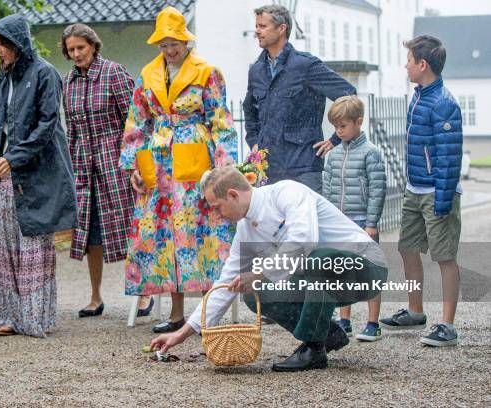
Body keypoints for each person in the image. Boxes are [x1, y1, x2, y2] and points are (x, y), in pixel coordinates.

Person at [151, 166, 388, 371]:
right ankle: (327, 334)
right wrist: (181, 334)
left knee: (317, 256)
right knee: (253, 295)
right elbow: (225, 285)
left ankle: (313, 349)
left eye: (216, 207)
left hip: (366, 267)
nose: (216, 215)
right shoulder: (244, 231)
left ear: (232, 195)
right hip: (327, 281)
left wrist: (261, 272)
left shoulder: (286, 192)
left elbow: (304, 239)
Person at [119, 6, 238, 333]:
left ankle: (205, 315)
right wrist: (133, 164)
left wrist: (226, 166)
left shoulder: (207, 72)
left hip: (196, 157)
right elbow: (136, 121)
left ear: (186, 40)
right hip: (157, 160)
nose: (170, 49)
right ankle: (174, 314)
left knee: (198, 233)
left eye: (175, 43)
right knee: (164, 235)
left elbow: (220, 120)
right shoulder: (148, 74)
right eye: (164, 44)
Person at [0, 14, 77, 337]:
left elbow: (47, 125)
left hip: (36, 173)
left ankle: (33, 317)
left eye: (2, 45)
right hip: (7, 172)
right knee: (2, 242)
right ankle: (7, 315)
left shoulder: (45, 74)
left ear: (17, 44)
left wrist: (12, 158)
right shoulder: (4, 76)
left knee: (32, 242)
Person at [61, 24, 152, 318]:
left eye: (81, 48)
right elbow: (70, 128)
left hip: (115, 160)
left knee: (129, 225)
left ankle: (142, 294)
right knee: (90, 232)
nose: (76, 54)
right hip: (83, 163)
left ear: (94, 46)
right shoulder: (68, 82)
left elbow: (135, 120)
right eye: (71, 50)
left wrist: (135, 162)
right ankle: (95, 296)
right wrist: (71, 166)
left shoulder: (114, 73)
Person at [380, 35, 463, 347]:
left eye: (410, 60)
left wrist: (442, 200)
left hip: (437, 193)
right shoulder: (418, 96)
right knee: (407, 248)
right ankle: (415, 310)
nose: (406, 65)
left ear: (423, 65)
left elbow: (449, 157)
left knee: (444, 256)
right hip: (414, 190)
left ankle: (448, 325)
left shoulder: (444, 104)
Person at [243, 4, 356, 190]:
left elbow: (348, 95)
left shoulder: (306, 66)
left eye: (263, 26)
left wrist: (335, 139)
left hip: (304, 168)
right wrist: (254, 141)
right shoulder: (256, 70)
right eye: (256, 26)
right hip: (268, 169)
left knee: (307, 220)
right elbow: (250, 110)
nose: (257, 31)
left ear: (281, 29)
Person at [323, 95, 387, 341]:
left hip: (363, 222)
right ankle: (345, 320)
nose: (338, 132)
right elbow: (327, 191)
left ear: (358, 122)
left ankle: (373, 323)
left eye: (343, 126)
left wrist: (371, 223)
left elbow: (377, 190)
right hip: (340, 224)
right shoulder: (334, 155)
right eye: (336, 127)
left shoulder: (371, 154)